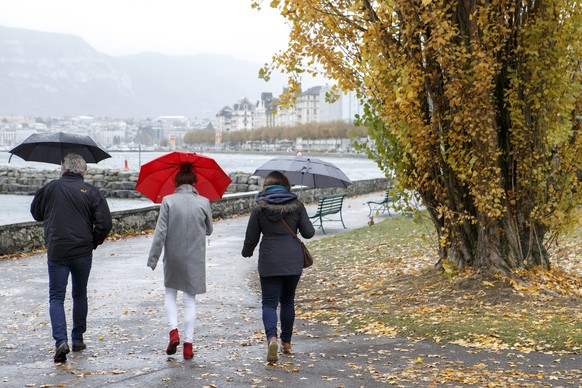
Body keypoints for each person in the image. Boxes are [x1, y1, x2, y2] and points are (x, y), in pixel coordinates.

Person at [30, 153, 112, 363]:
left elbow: (36, 214)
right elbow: (105, 223)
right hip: (82, 251)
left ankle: (60, 341)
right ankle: (77, 339)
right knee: (79, 294)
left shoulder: (50, 188)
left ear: (64, 168)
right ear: (83, 170)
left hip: (57, 250)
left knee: (56, 297)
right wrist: (93, 241)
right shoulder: (92, 192)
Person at [241, 171, 315, 362]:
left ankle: (271, 338)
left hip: (269, 260)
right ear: (286, 186)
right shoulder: (297, 206)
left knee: (269, 303)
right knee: (288, 301)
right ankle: (287, 343)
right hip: (293, 260)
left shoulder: (259, 208)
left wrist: (246, 252)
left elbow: (251, 239)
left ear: (266, 186)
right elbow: (308, 233)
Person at [147, 162, 213, 360]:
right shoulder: (204, 202)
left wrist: (153, 259)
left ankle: (173, 331)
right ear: (194, 182)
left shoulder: (168, 201)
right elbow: (209, 229)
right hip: (194, 257)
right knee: (189, 300)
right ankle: (188, 345)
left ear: (176, 182)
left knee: (170, 293)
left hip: (173, 256)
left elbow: (160, 233)